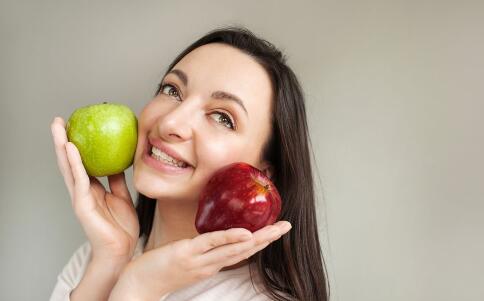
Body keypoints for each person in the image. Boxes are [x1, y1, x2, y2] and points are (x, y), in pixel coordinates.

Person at [49, 26, 330, 301]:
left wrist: (138, 288)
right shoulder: (95, 259)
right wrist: (110, 262)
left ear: (263, 175)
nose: (170, 122)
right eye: (172, 90)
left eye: (222, 117)